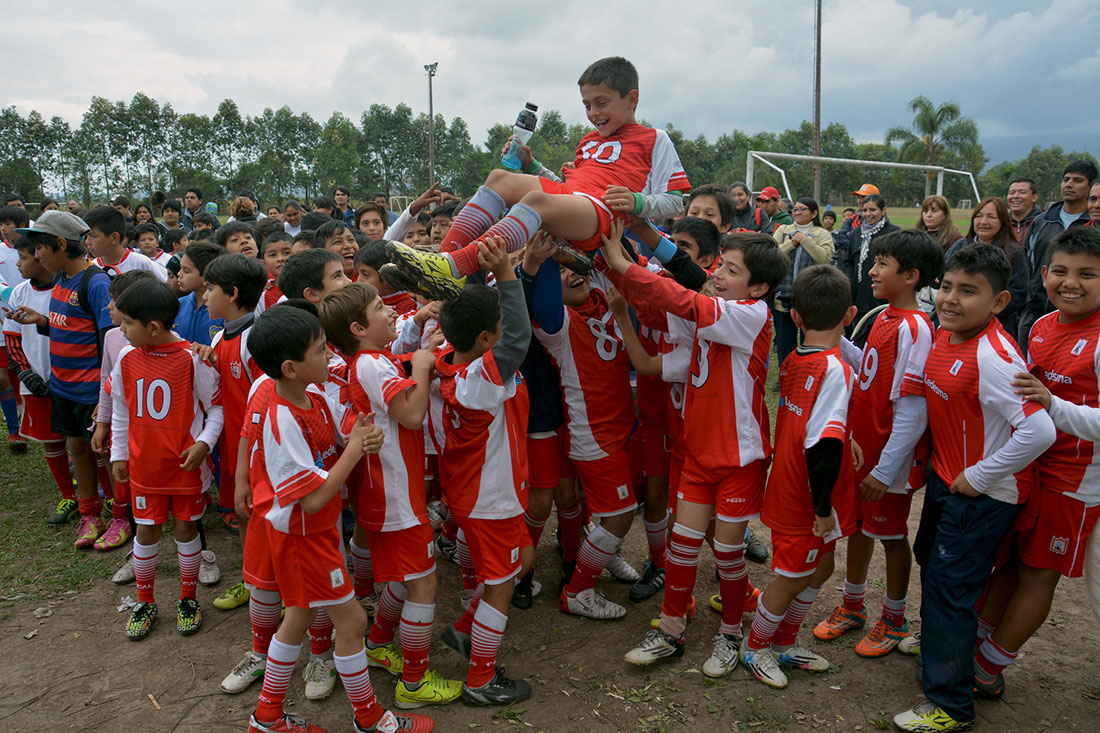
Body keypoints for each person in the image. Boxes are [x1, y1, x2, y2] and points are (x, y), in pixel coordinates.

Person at [608, 228, 787, 679]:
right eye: (719, 266)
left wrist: (627, 265)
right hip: (699, 455)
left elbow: (684, 299)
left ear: (760, 287)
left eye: (731, 270)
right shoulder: (711, 319)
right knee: (683, 545)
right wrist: (612, 264)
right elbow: (666, 304)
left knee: (728, 554)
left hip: (740, 459)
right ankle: (670, 632)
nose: (719, 275)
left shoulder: (751, 314)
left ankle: (730, 634)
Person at [244, 305, 430, 733]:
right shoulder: (282, 417)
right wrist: (354, 450)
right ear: (291, 367)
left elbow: (335, 435)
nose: (331, 357)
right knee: (352, 621)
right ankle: (370, 719)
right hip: (304, 536)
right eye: (321, 350)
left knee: (299, 618)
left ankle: (268, 716)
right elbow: (313, 498)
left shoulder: (307, 397)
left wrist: (358, 431)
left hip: (314, 533)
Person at [893, 245, 1056, 732]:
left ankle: (951, 705)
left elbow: (1040, 431)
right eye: (946, 286)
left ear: (1000, 301)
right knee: (934, 567)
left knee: (950, 588)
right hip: (950, 483)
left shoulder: (995, 358)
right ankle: (946, 648)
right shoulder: (945, 333)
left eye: (969, 291)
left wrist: (981, 475)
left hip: (984, 495)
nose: (951, 299)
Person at [384, 57, 689, 300]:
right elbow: (570, 189)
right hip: (577, 201)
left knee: (535, 202)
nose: (593, 112)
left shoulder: (654, 138)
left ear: (631, 98)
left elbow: (674, 203)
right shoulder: (589, 141)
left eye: (601, 102)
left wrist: (638, 201)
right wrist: (532, 166)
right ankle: (445, 263)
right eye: (586, 105)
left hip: (604, 217)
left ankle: (455, 267)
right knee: (500, 177)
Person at [971, 227, 1100, 702]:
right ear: (1044, 274)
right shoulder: (1043, 326)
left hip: (1076, 483)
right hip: (1031, 469)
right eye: (1061, 271)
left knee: (1037, 574)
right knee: (1006, 561)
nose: (1072, 282)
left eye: (1088, 274)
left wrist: (1053, 407)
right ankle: (973, 642)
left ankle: (988, 666)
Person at [319, 282, 463, 709]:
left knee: (405, 575)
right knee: (425, 583)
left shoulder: (372, 359)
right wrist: (421, 365)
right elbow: (413, 414)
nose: (391, 314)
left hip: (393, 491)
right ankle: (414, 685)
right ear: (359, 327)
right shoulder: (370, 365)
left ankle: (379, 642)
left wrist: (422, 353)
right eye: (381, 308)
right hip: (394, 495)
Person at [811, 230, 942, 659]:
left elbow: (913, 408)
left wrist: (887, 471)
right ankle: (852, 606)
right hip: (867, 449)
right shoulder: (885, 316)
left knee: (890, 535)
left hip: (889, 458)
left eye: (882, 263)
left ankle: (895, 616)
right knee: (860, 529)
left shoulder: (917, 328)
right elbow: (870, 369)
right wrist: (837, 341)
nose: (872, 269)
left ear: (911, 276)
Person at [524, 221, 657, 621]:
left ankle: (602, 552)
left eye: (574, 265)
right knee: (618, 512)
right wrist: (544, 228)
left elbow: (610, 247)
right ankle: (578, 590)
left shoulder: (601, 291)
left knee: (618, 506)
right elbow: (547, 288)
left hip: (625, 426)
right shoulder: (557, 326)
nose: (571, 272)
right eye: (560, 272)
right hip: (594, 435)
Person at [739, 264, 858, 690]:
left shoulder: (794, 358)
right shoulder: (836, 370)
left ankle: (785, 642)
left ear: (796, 318)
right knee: (790, 577)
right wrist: (824, 511)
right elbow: (822, 448)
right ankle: (755, 647)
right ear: (850, 315)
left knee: (821, 568)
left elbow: (821, 427)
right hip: (805, 498)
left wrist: (850, 437)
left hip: (796, 487)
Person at [434, 237, 534, 705]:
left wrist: (485, 268)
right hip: (490, 498)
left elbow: (492, 329)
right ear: (486, 341)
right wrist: (510, 279)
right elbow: (518, 338)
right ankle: (480, 679)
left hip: (472, 493)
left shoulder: (450, 364)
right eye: (499, 327)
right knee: (500, 585)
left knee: (510, 569)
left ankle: (462, 633)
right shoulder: (481, 381)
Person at [109, 278, 223, 640]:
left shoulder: (192, 359)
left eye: (127, 322)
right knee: (145, 531)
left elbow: (215, 409)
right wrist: (119, 454)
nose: (121, 328)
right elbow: (120, 409)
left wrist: (203, 443)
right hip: (145, 469)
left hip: (184, 468)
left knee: (185, 529)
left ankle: (187, 598)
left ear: (153, 327)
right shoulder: (127, 358)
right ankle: (145, 601)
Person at [13, 211, 113, 547]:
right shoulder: (59, 280)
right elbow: (68, 326)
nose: (37, 256)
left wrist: (105, 398)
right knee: (77, 449)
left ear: (59, 244)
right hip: (63, 388)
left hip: (92, 391)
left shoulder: (96, 284)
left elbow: (108, 344)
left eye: (40, 248)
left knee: (105, 453)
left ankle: (123, 513)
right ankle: (89, 512)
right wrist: (41, 320)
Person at [203, 253, 269, 611]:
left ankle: (278, 585)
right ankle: (251, 579)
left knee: (266, 517)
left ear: (231, 293)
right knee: (243, 513)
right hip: (233, 447)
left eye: (209, 288)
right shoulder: (219, 339)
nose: (203, 296)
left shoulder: (256, 338)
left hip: (259, 451)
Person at [2, 235, 75, 521]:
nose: (18, 264)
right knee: (52, 442)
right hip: (38, 383)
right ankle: (69, 497)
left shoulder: (67, 287)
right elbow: (12, 338)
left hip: (72, 379)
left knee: (84, 442)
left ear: (41, 258)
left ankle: (101, 495)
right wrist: (26, 373)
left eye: (23, 258)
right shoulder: (19, 292)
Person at [90, 270, 161, 556]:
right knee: (127, 477)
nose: (109, 308)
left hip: (158, 429)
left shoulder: (165, 340)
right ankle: (129, 525)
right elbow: (107, 383)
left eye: (115, 302)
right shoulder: (110, 339)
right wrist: (102, 423)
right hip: (126, 425)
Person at [1020, 160, 1099, 347]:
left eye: (1077, 180)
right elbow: (1029, 262)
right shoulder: (1042, 221)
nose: (1069, 184)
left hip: (1085, 318)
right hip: (1038, 309)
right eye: (1066, 179)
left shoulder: (1088, 227)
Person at [944, 198, 1029, 340]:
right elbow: (943, 277)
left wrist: (983, 309)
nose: (983, 222)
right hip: (957, 321)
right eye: (979, 216)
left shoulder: (1013, 252)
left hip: (997, 325)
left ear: (1002, 221)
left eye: (991, 217)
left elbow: (1020, 291)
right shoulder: (960, 246)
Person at [773, 197, 835, 372]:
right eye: (796, 209)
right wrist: (792, 243)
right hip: (782, 295)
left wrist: (805, 240)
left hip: (811, 295)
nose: (798, 212)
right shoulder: (784, 230)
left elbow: (824, 258)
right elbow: (773, 254)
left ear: (814, 213)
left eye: (803, 209)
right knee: (785, 338)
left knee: (808, 338)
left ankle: (806, 371)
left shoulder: (822, 234)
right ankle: (785, 373)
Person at [841, 194, 898, 324]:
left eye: (872, 210)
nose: (868, 214)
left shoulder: (893, 233)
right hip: (858, 295)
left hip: (882, 297)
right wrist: (850, 281)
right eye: (864, 210)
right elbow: (847, 261)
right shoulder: (856, 234)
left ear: (883, 211)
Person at [0, 204, 30, 452]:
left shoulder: (34, 248)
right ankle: (14, 430)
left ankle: (33, 420)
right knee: (2, 378)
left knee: (32, 370)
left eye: (8, 223)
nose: (3, 228)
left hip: (31, 319)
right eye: (1, 224)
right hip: (3, 320)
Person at [84, 206, 168, 282]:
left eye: (93, 236)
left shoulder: (141, 263)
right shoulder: (90, 268)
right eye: (86, 236)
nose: (87, 241)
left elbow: (168, 284)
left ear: (114, 238)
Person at [173, 242, 225, 348]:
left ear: (206, 275)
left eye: (186, 270)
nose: (179, 274)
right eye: (180, 268)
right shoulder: (176, 306)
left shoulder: (224, 310)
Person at [1006, 178, 1042, 245]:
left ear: (1034, 197)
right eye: (1012, 193)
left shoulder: (1044, 223)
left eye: (1022, 192)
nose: (1015, 196)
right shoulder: (1001, 223)